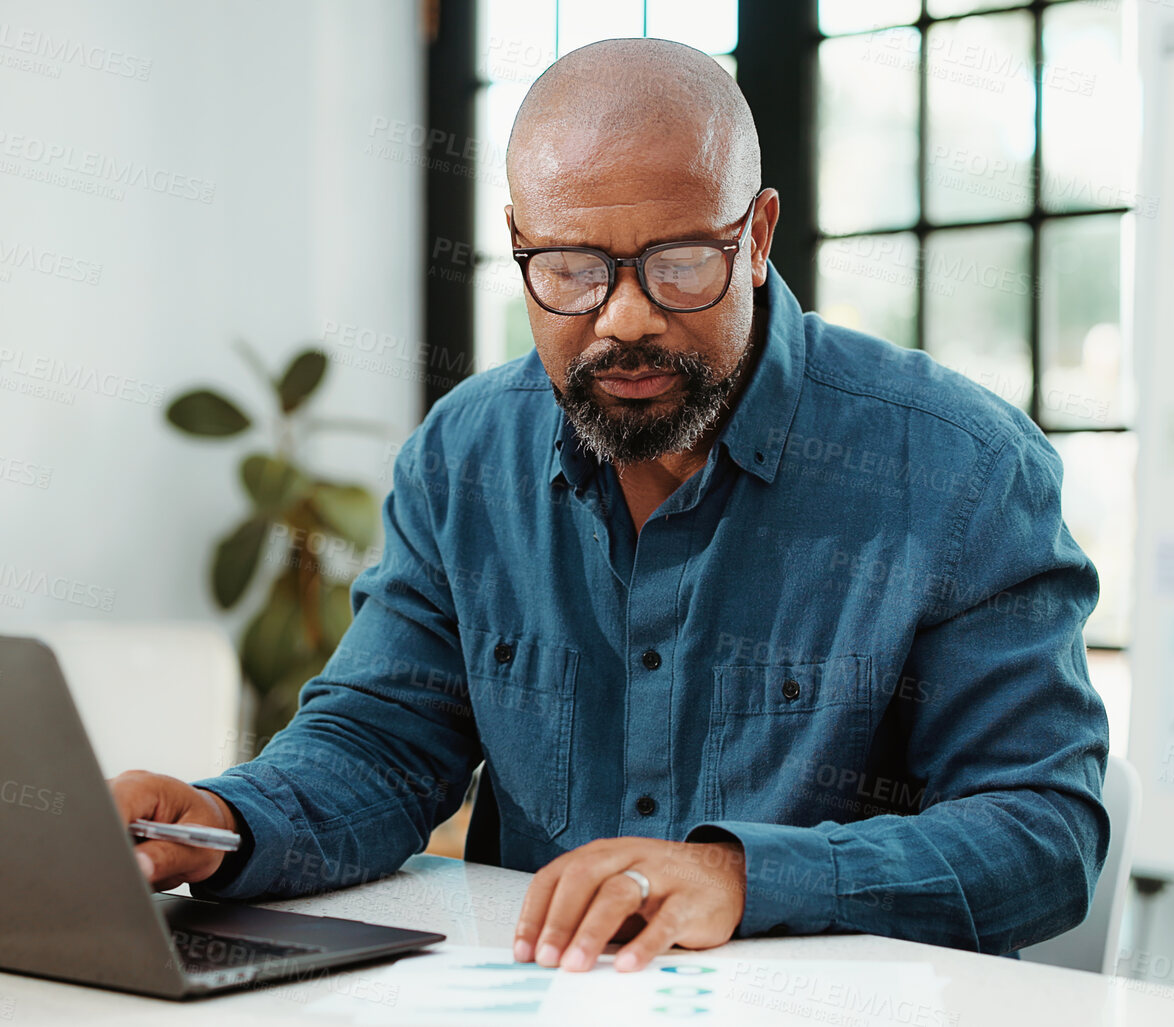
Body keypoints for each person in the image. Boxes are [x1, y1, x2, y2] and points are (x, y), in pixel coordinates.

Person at [112, 37, 1109, 974]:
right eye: (572, 269)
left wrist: (742, 878)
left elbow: (1042, 831)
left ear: (757, 236)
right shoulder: (465, 457)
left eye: (679, 263)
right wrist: (221, 824)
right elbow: (380, 743)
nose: (626, 318)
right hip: (541, 992)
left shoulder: (961, 470)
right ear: (518, 244)